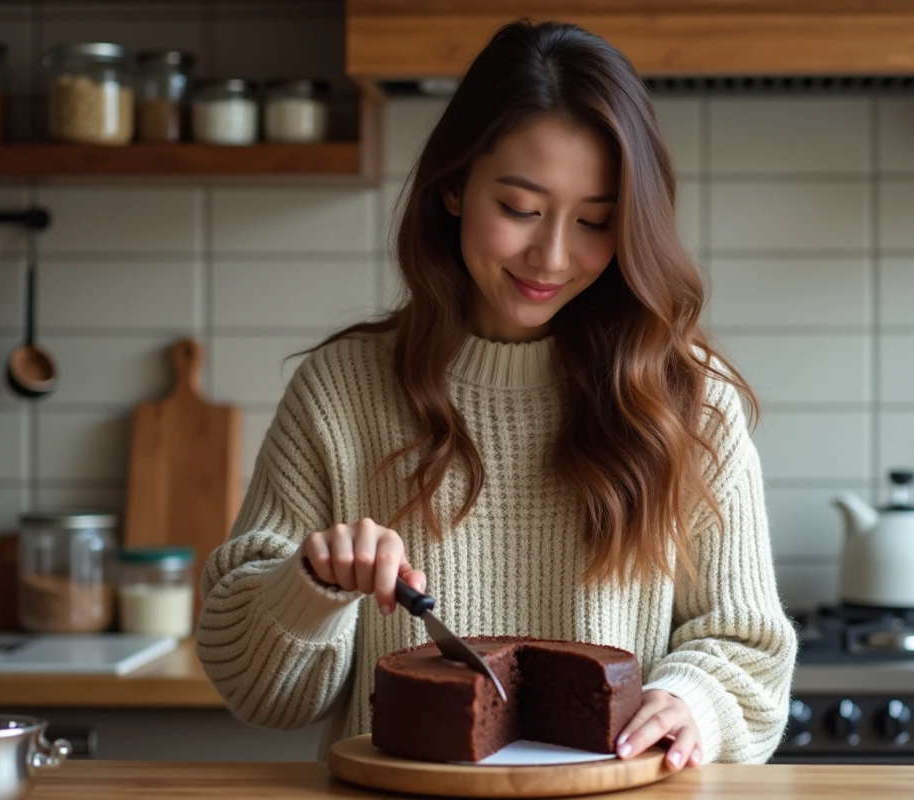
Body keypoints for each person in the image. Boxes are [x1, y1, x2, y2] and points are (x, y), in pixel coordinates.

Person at [196, 18, 797, 771]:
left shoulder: (688, 396)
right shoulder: (340, 393)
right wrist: (312, 585)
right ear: (454, 186)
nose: (552, 256)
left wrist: (695, 698)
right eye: (519, 208)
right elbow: (259, 694)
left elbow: (749, 650)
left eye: (596, 221)